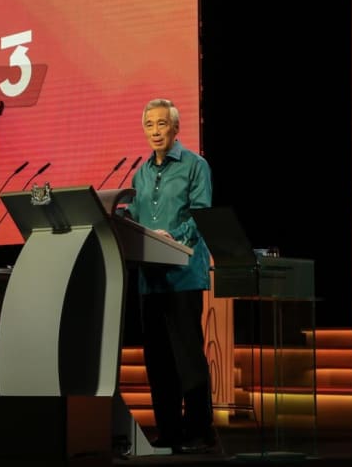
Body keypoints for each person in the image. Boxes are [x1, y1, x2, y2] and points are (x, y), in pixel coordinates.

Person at [126, 98, 216, 454]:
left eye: (162, 124)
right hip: (151, 278)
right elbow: (134, 214)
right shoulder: (140, 172)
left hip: (183, 276)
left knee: (187, 356)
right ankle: (169, 430)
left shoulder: (196, 166)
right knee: (158, 359)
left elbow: (201, 213)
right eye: (149, 125)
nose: (155, 131)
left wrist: (174, 239)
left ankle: (199, 430)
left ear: (176, 128)